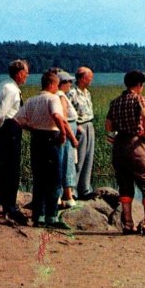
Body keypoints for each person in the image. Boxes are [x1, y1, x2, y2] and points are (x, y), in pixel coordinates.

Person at [13, 70, 77, 229]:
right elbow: (57, 116)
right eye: (57, 84)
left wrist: (32, 129)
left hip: (37, 139)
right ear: (53, 84)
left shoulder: (31, 100)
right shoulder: (53, 98)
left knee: (39, 178)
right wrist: (63, 134)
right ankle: (51, 216)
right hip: (52, 138)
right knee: (54, 179)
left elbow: (18, 120)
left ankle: (38, 216)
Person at [105, 70, 145, 235]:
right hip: (136, 143)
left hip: (119, 145)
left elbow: (108, 126)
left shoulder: (115, 102)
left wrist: (114, 135)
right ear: (139, 85)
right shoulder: (139, 98)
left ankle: (128, 223)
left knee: (125, 183)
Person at [0, 59, 29, 224]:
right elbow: (0, 115)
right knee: (12, 168)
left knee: (6, 167)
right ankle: (10, 206)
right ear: (19, 73)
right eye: (26, 73)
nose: (27, 76)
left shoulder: (4, 85)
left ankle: (4, 201)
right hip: (8, 129)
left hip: (4, 129)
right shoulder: (11, 90)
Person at [68, 66, 96, 200]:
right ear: (83, 78)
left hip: (89, 124)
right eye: (90, 77)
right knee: (78, 159)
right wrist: (76, 126)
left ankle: (84, 188)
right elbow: (67, 111)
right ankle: (72, 190)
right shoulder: (72, 93)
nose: (91, 79)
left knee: (88, 158)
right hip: (79, 127)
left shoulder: (87, 93)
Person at [54, 70, 79, 209]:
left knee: (65, 163)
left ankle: (62, 195)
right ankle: (68, 196)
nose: (70, 84)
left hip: (69, 131)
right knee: (67, 163)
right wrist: (72, 136)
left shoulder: (59, 95)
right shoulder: (61, 96)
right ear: (61, 83)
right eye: (68, 81)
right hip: (67, 135)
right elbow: (64, 119)